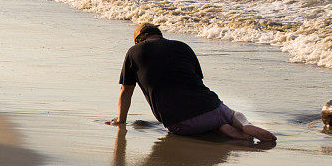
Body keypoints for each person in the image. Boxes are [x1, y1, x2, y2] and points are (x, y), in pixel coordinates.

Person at [107, 23, 276, 142]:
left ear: (138, 41)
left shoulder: (133, 52)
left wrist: (121, 120)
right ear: (160, 36)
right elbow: (198, 82)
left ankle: (220, 128)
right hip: (213, 107)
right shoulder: (183, 46)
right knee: (234, 115)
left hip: (180, 124)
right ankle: (243, 125)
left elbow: (126, 90)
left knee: (199, 124)